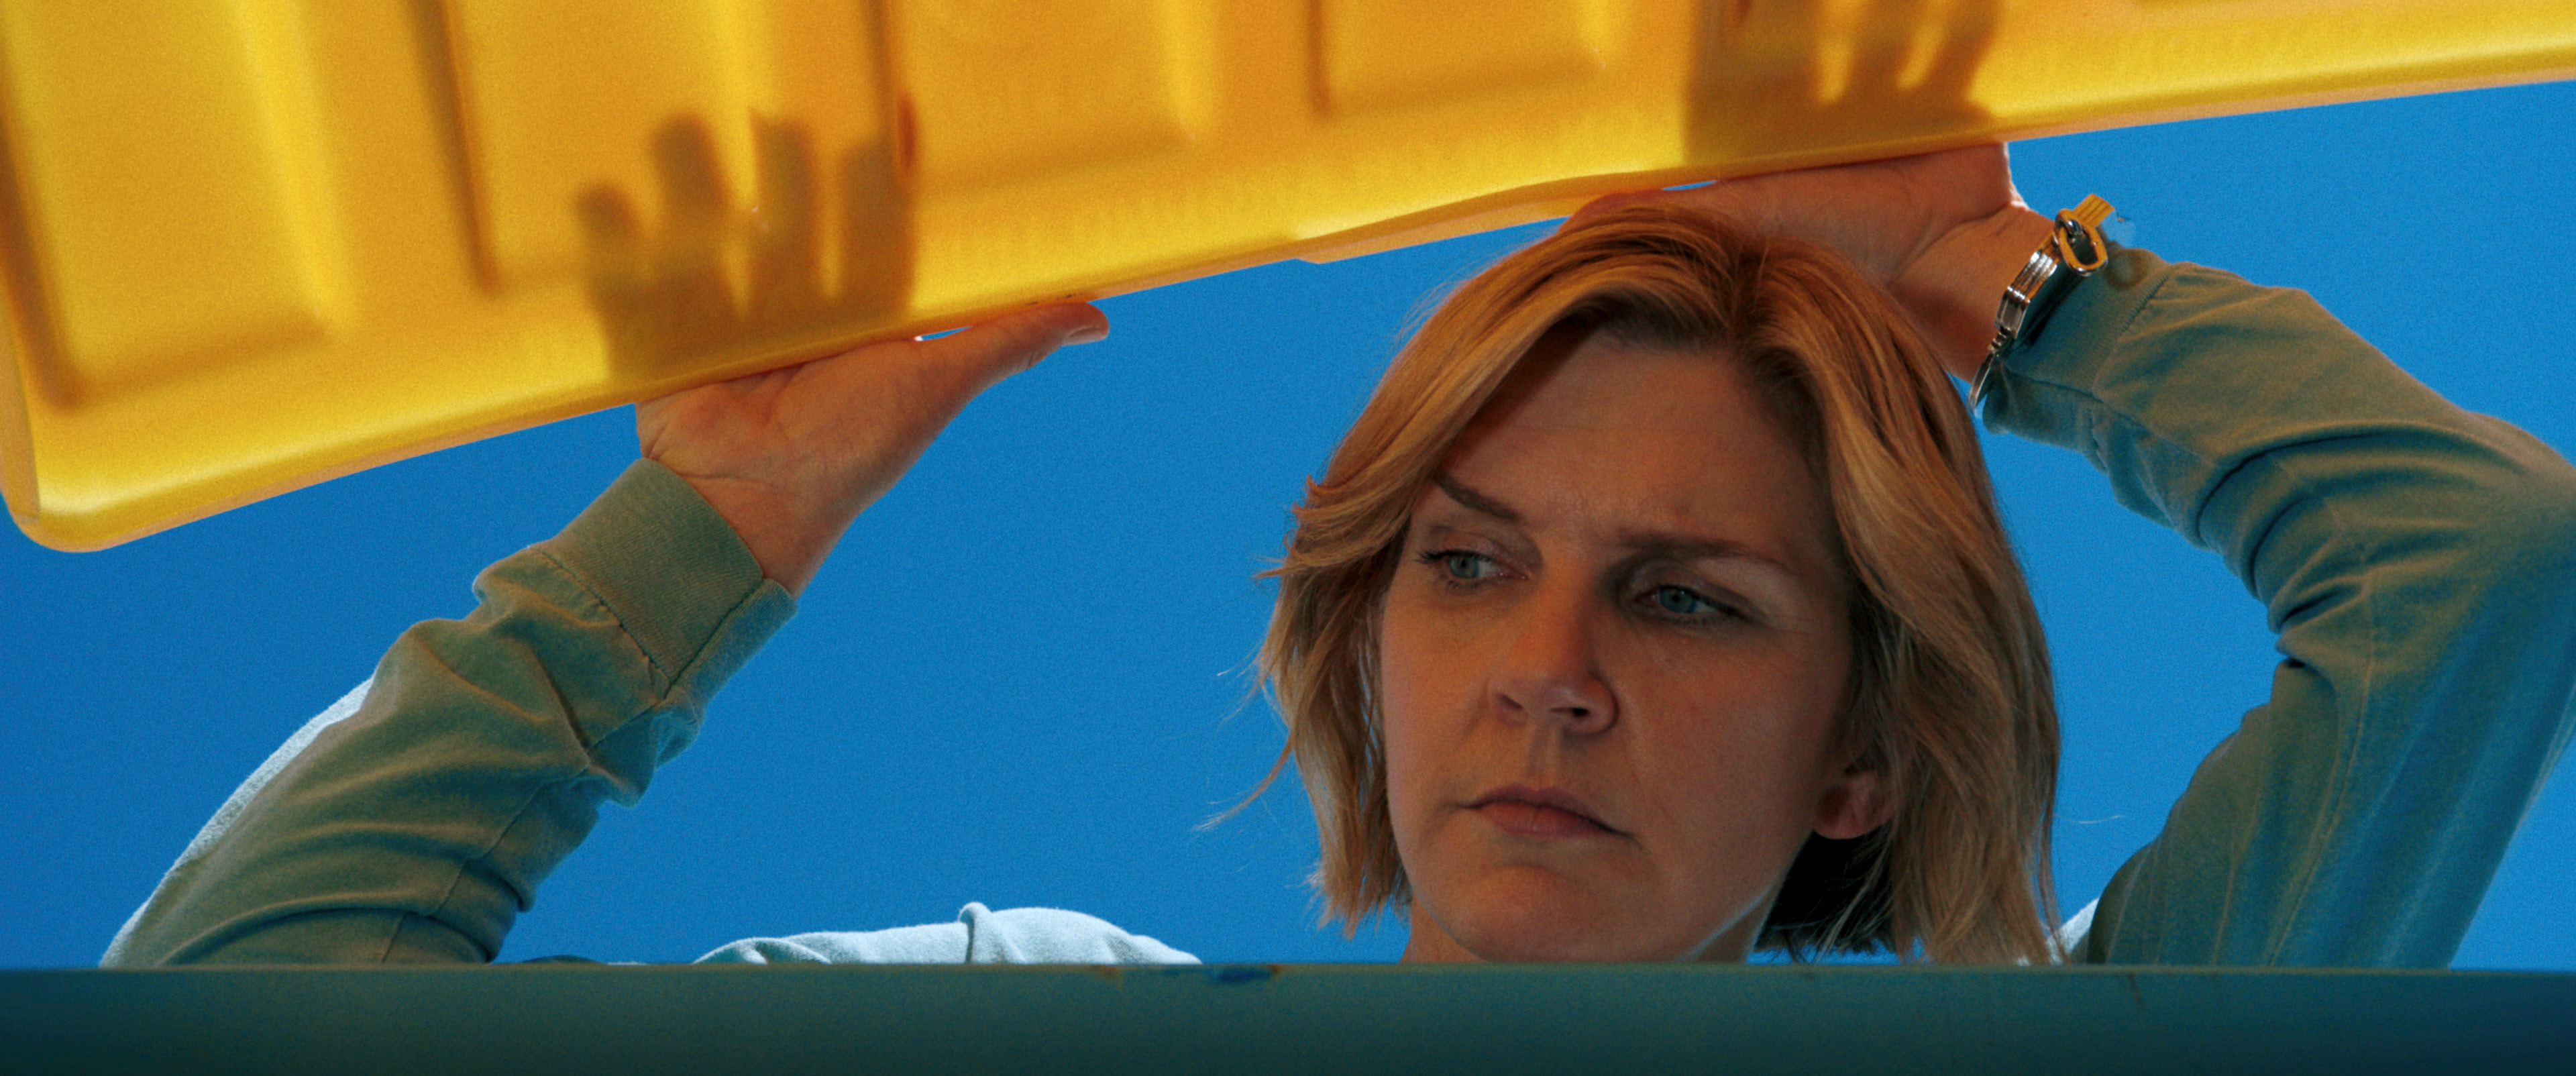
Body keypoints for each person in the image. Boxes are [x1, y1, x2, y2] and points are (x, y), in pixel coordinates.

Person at [102, 147, 2575, 968]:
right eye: (1471, 567)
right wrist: (713, 521)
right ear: (1366, 642)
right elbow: (243, 1011)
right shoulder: (1049, 1013)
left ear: (1858, 760)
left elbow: (2476, 563)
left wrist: (1997, 289)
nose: (1551, 673)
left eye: (1690, 594)